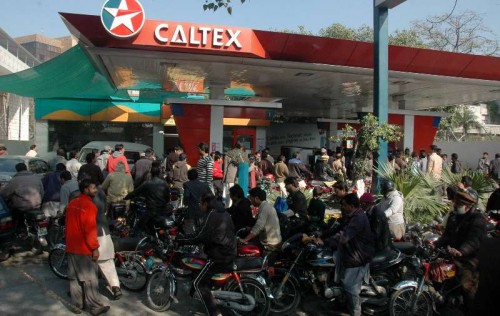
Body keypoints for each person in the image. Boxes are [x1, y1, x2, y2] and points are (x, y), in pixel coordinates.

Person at [312, 193, 374, 316]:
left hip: (357, 256)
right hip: (349, 252)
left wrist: (325, 242)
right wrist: (321, 235)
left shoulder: (358, 219)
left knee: (350, 286)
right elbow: (338, 229)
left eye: (345, 205)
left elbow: (343, 236)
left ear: (351, 206)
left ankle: (356, 312)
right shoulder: (352, 216)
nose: (343, 207)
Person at [176, 193, 237, 316]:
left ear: (205, 203)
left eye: (200, 203)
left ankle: (214, 313)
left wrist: (181, 240)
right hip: (229, 251)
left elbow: (200, 236)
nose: (199, 205)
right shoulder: (223, 212)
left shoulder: (212, 215)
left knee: (198, 283)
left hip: (219, 256)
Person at [435, 191, 487, 315]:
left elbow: (473, 240)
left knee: (466, 285)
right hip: (451, 255)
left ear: (468, 206)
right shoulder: (454, 216)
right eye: (455, 203)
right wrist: (437, 244)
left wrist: (461, 251)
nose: (455, 206)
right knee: (436, 272)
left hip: (469, 258)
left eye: (458, 205)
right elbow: (446, 235)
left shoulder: (477, 219)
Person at [65, 179, 110, 316]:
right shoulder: (90, 206)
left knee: (74, 278)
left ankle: (77, 305)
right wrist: (94, 248)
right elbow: (89, 230)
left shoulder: (72, 204)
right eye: (93, 188)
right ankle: (95, 306)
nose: (95, 190)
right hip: (84, 249)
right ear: (85, 189)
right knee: (90, 279)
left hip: (71, 246)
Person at [93, 185, 122, 300]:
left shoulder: (83, 196)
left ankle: (87, 290)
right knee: (108, 263)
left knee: (90, 263)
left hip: (94, 232)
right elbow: (105, 208)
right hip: (105, 229)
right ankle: (115, 287)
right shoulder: (101, 191)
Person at [125, 162, 170, 233]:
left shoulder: (147, 183)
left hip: (151, 210)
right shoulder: (164, 183)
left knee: (139, 225)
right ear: (159, 173)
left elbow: (135, 192)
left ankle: (134, 236)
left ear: (151, 173)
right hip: (163, 209)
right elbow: (168, 197)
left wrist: (126, 197)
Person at [1, 162, 44, 232]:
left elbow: (4, 193)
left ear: (17, 170)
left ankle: (18, 231)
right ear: (26, 169)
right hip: (37, 206)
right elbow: (42, 192)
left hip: (22, 208)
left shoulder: (14, 180)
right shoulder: (36, 178)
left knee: (13, 216)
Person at [240, 187, 282, 255]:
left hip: (270, 244)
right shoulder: (266, 206)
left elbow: (258, 227)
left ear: (256, 198)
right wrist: (249, 229)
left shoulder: (264, 208)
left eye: (251, 199)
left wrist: (245, 240)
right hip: (272, 240)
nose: (250, 201)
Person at [183, 169, 211, 233]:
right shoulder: (204, 185)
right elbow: (211, 196)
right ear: (197, 176)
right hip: (203, 211)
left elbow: (187, 196)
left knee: (188, 230)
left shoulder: (187, 185)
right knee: (203, 229)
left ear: (188, 176)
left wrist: (185, 203)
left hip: (191, 211)